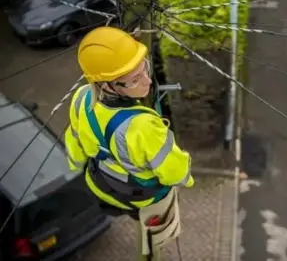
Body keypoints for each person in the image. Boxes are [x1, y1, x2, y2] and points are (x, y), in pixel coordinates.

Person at [64, 26, 194, 260]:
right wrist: (187, 178)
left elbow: (75, 144)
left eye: (144, 65)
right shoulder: (144, 127)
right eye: (134, 79)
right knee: (155, 234)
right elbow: (174, 172)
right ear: (106, 85)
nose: (147, 80)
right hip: (141, 196)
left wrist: (76, 167)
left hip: (99, 183)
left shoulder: (81, 97)